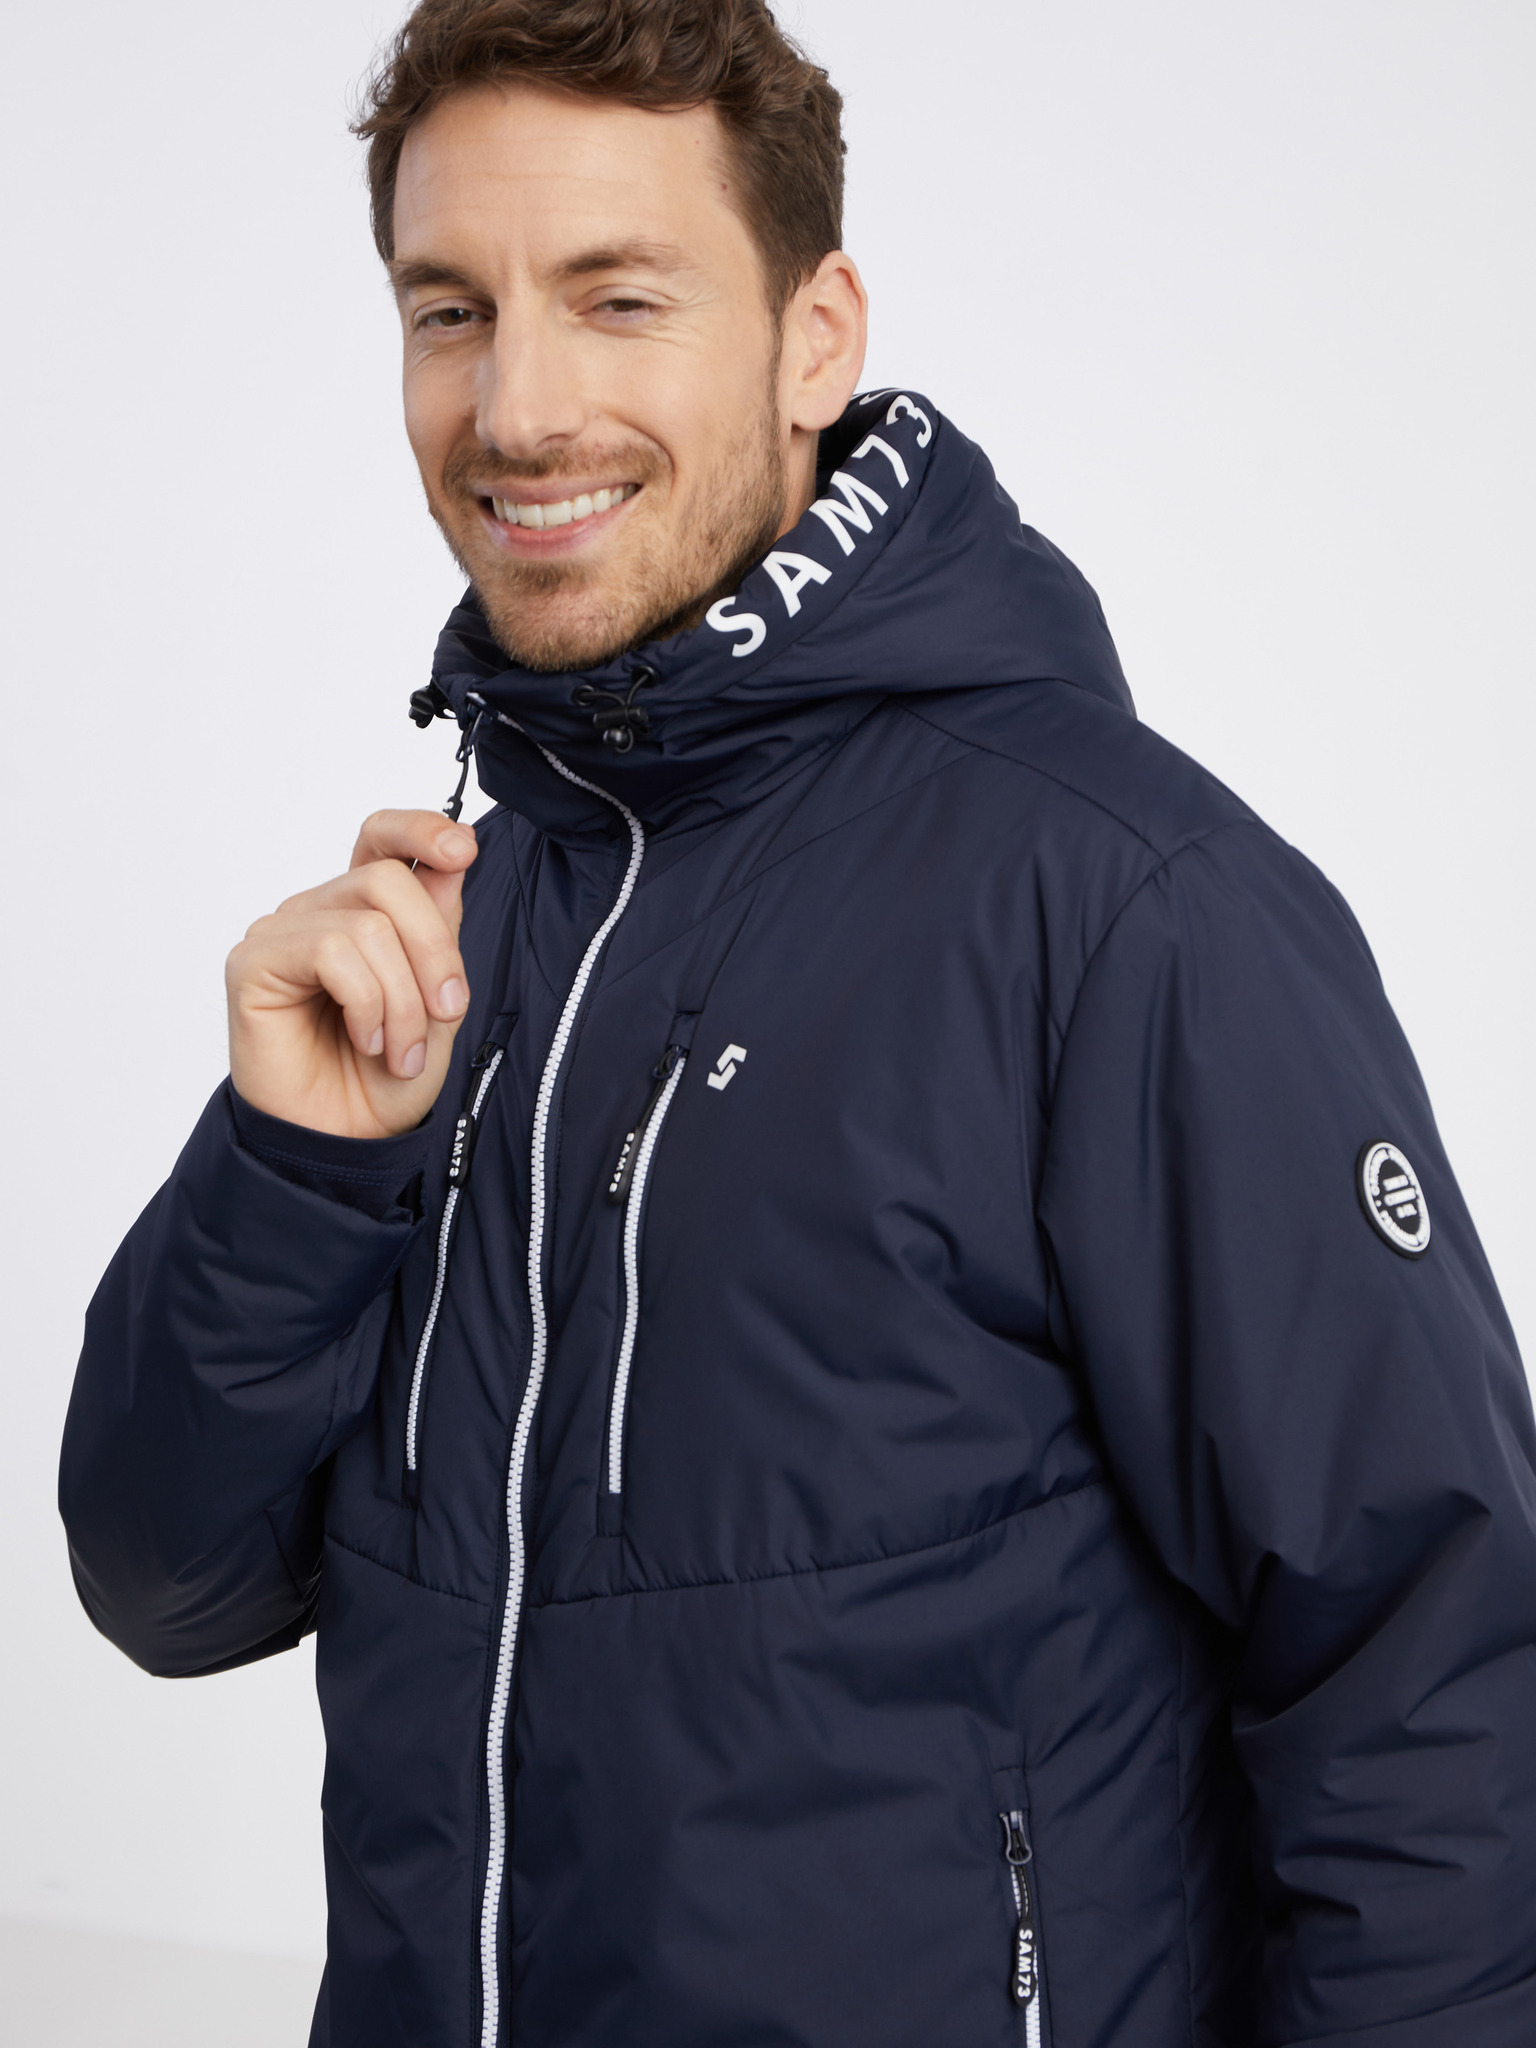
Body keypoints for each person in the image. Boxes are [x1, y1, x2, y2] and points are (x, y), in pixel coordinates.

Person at [59, 1, 1536, 2042]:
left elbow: (1439, 1688)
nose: (519, 406)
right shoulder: (460, 924)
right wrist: (297, 1171)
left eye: (620, 298)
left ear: (814, 338)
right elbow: (166, 1586)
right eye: (449, 310)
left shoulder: (1125, 904)